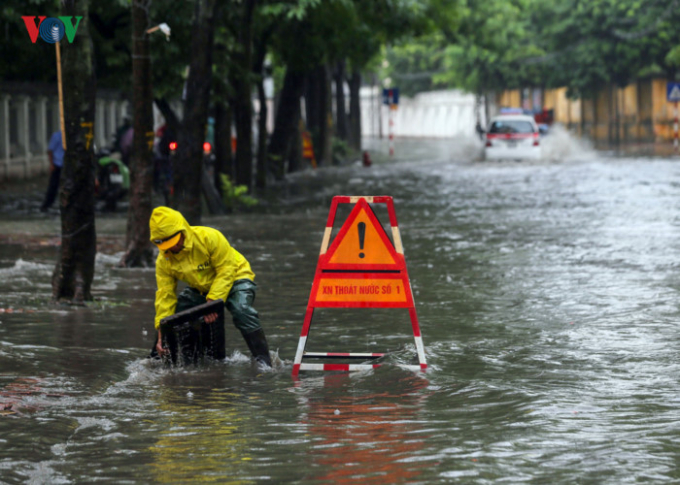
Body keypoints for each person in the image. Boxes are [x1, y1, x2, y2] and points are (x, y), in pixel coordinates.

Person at [149, 206, 272, 366]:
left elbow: (226, 270)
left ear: (183, 230)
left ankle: (264, 362)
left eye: (174, 242)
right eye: (166, 245)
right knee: (172, 319)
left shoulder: (209, 237)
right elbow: (165, 296)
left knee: (242, 311)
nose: (172, 248)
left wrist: (212, 302)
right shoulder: (163, 260)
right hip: (202, 288)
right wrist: (161, 333)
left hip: (236, 277)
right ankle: (156, 361)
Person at [40, 131, 64, 212]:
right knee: (53, 187)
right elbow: (50, 151)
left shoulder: (72, 136)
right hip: (58, 165)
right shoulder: (57, 136)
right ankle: (47, 205)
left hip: (67, 166)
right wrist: (52, 164)